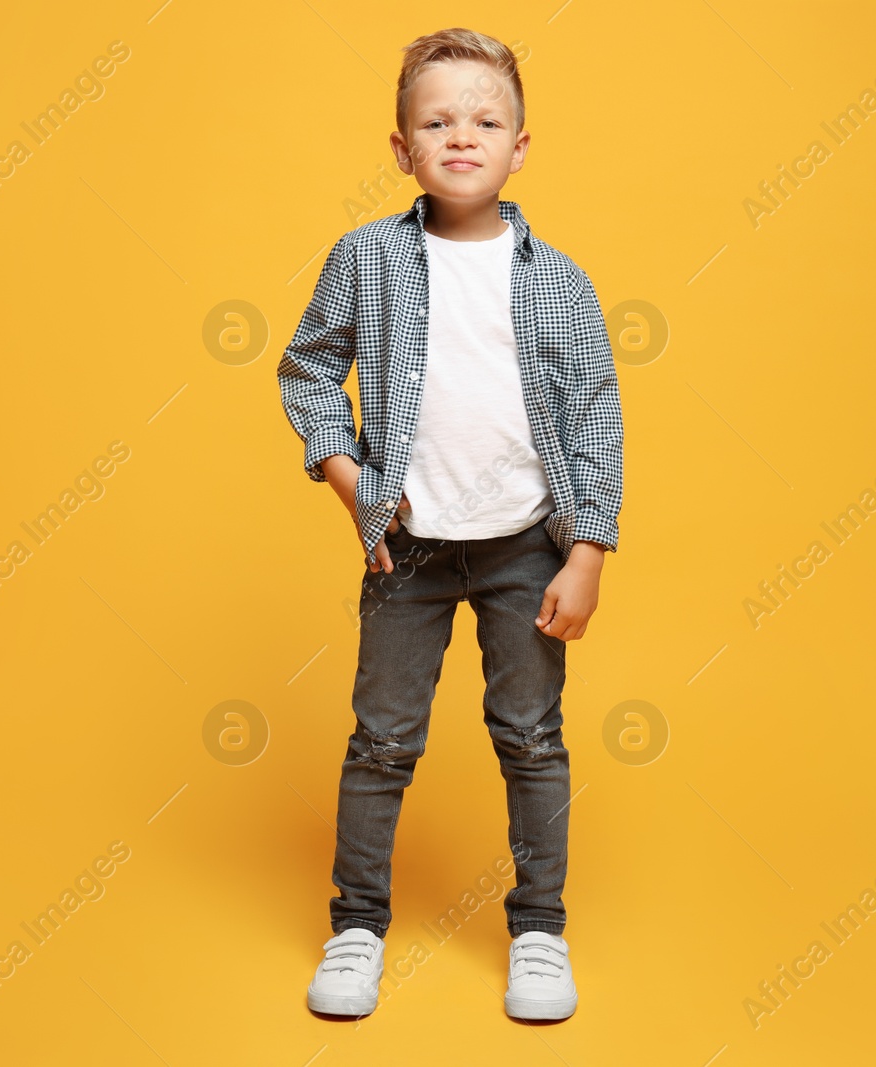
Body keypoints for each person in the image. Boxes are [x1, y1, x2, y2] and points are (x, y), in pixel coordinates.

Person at [277, 26, 624, 1022]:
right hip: (408, 545)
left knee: (530, 736)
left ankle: (539, 930)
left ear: (520, 146)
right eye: (436, 120)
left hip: (527, 545)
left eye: (484, 119)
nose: (460, 135)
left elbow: (596, 412)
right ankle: (355, 925)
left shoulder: (558, 280)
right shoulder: (367, 258)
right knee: (382, 739)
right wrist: (353, 485)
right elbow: (307, 367)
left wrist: (588, 549)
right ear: (401, 148)